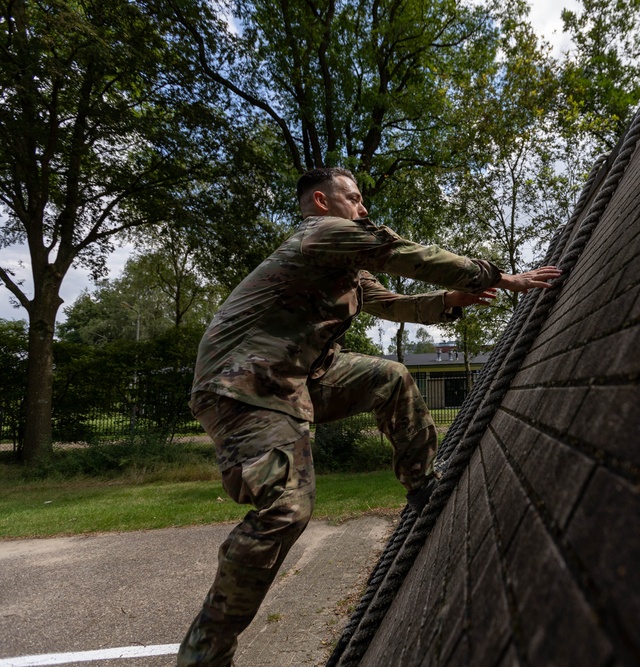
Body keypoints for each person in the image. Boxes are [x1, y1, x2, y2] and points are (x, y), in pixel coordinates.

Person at [177, 167, 561, 666]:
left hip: (299, 378)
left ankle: (421, 482)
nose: (362, 209)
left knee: (391, 376)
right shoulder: (322, 234)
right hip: (243, 385)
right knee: (285, 510)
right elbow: (407, 254)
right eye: (353, 198)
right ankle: (205, 654)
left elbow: (395, 304)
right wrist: (505, 278)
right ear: (320, 201)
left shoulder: (349, 270)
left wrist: (451, 301)